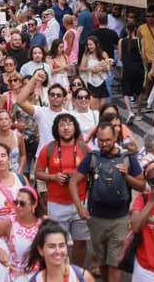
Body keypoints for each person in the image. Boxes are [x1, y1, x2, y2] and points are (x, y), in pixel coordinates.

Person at [70, 121, 144, 282]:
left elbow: (142, 184)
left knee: (114, 263)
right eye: (100, 140)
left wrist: (127, 176)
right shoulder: (92, 158)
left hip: (120, 219)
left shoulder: (127, 158)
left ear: (115, 137)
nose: (104, 144)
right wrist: (79, 207)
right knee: (102, 261)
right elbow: (73, 181)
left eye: (108, 140)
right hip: (96, 218)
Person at [34, 113, 90, 267]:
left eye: (69, 124)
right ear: (56, 129)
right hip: (57, 204)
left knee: (80, 242)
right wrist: (54, 177)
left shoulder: (84, 148)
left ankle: (77, 273)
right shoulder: (49, 148)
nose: (66, 128)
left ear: (75, 127)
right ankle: (61, 273)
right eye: (62, 125)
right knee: (58, 244)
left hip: (80, 202)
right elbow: (37, 172)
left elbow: (94, 170)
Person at [0, 186, 43, 281]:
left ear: (34, 205)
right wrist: (0, 251)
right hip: (16, 277)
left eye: (22, 204)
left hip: (39, 276)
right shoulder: (9, 223)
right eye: (16, 202)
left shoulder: (44, 223)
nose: (17, 207)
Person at [25, 221, 95, 282]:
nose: (58, 251)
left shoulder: (83, 277)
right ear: (41, 250)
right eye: (51, 246)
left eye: (61, 246)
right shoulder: (36, 280)